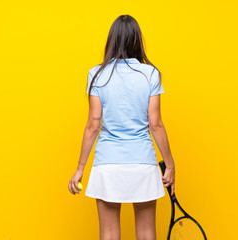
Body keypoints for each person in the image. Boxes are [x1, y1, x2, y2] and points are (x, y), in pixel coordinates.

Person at [68, 14, 175, 240]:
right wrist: (171, 165)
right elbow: (155, 124)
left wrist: (80, 168)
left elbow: (92, 126)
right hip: (142, 162)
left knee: (108, 233)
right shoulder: (151, 74)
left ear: (112, 41)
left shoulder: (97, 74)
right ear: (137, 40)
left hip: (108, 163)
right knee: (147, 233)